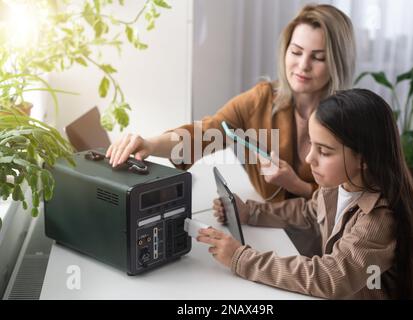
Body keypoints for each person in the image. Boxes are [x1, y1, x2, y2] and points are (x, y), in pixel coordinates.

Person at [197, 89, 413, 299]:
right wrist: (250, 211)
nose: (309, 158)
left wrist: (241, 258)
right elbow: (310, 212)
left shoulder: (379, 220)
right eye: (311, 144)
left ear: (363, 159)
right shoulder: (339, 184)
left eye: (323, 151)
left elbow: (331, 277)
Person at [106, 4, 356, 202]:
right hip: (272, 225)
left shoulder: (352, 120)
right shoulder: (262, 100)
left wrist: (297, 185)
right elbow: (205, 134)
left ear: (337, 62)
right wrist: (149, 144)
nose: (303, 66)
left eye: (318, 57)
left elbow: (354, 200)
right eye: (296, 52)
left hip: (323, 241)